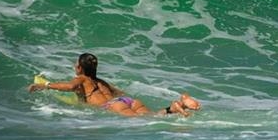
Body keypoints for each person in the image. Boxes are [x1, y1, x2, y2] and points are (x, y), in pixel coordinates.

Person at [28, 53, 201, 117]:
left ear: (80, 68)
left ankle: (175, 108)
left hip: (112, 105)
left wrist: (46, 85)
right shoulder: (102, 82)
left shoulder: (81, 79)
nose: (75, 67)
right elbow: (121, 92)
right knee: (153, 115)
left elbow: (70, 87)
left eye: (76, 65)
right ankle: (173, 107)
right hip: (128, 100)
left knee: (143, 122)